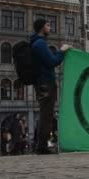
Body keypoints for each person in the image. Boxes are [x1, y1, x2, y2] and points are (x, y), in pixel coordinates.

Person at [31, 18, 72, 154]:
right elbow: (53, 61)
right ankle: (41, 147)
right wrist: (62, 50)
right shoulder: (40, 44)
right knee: (46, 114)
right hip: (45, 83)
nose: (50, 28)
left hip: (42, 82)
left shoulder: (36, 43)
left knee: (46, 114)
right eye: (48, 25)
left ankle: (41, 145)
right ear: (42, 28)